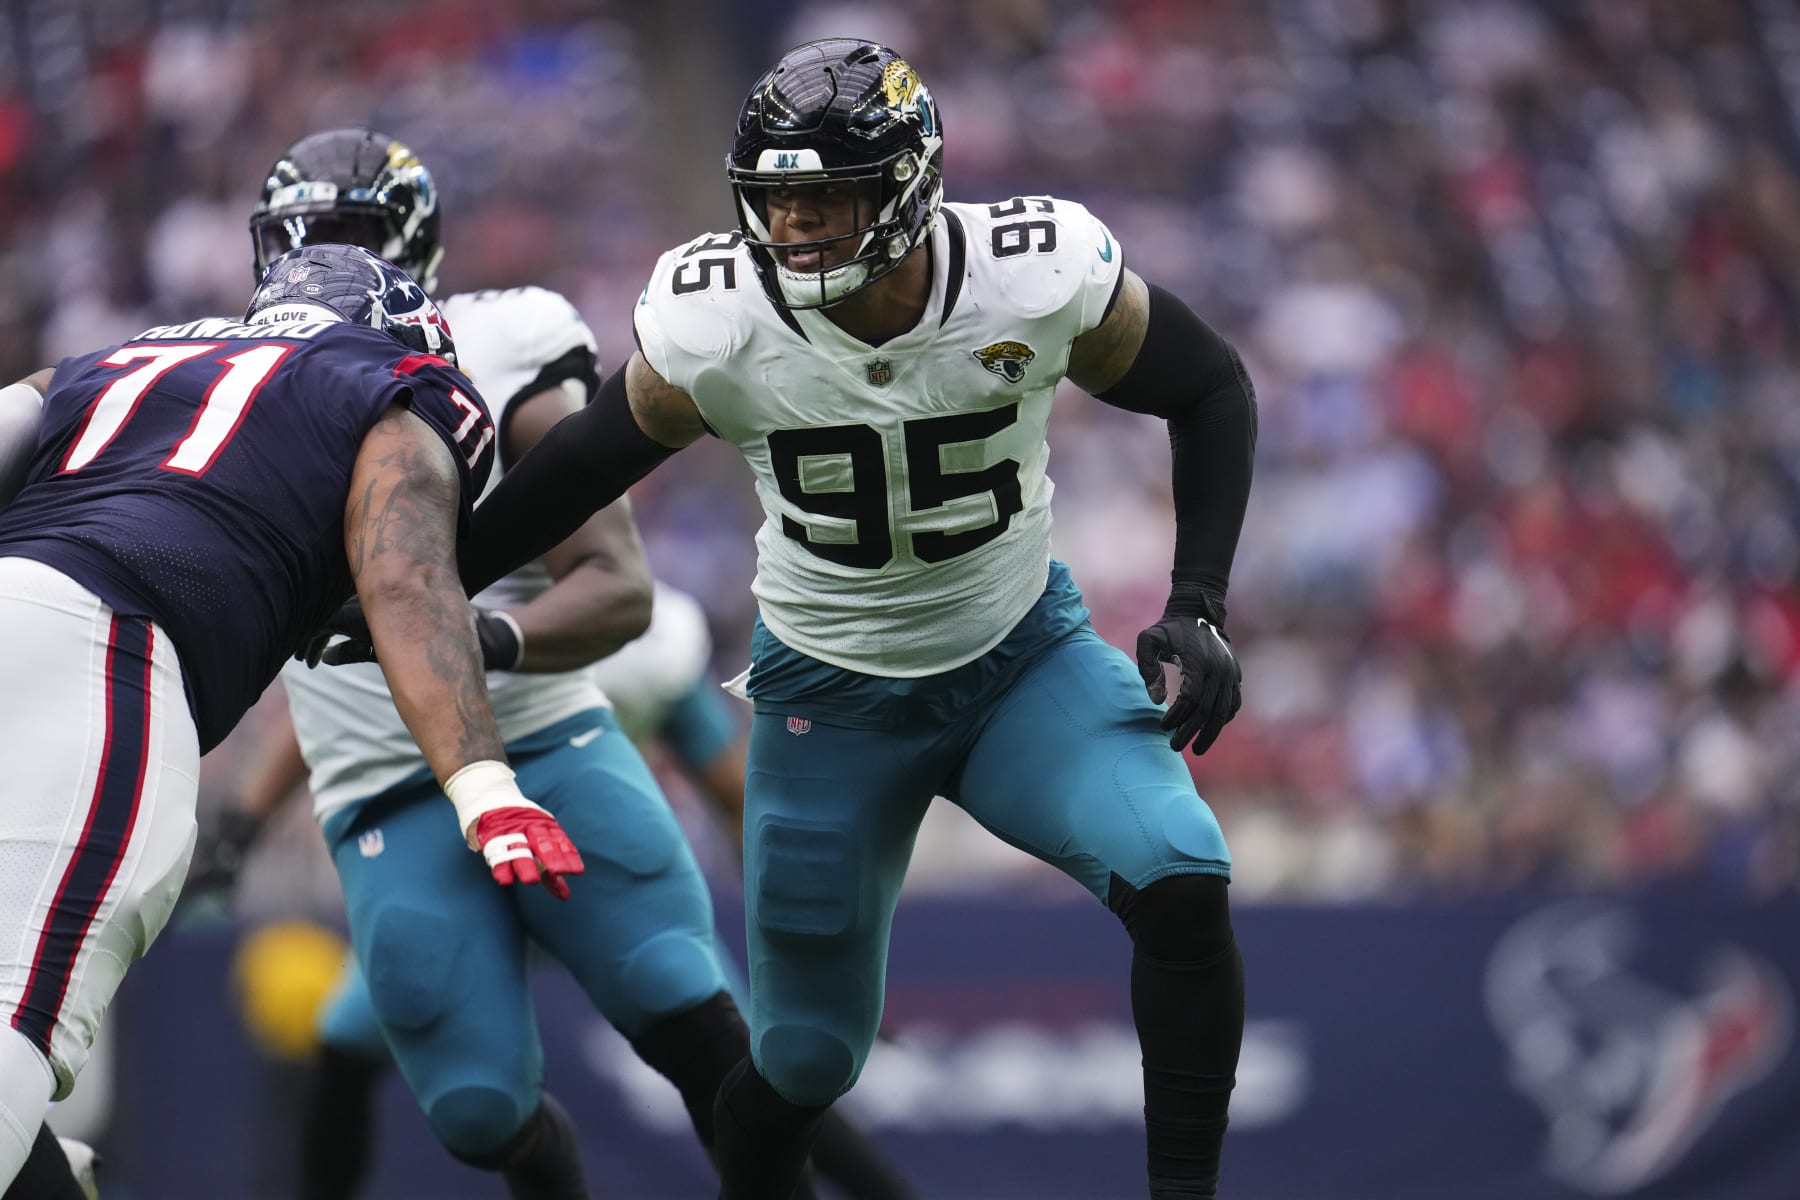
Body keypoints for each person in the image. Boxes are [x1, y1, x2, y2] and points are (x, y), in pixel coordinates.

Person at [423, 38, 1256, 1200]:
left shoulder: (1032, 272)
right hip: (831, 702)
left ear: (908, 186)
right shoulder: (721, 316)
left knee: (1180, 870)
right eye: (780, 199)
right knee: (802, 1061)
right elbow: (582, 465)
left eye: (828, 195)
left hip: (1024, 663)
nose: (801, 225)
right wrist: (429, 579)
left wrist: (1199, 602)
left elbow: (1209, 384)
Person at [221, 127, 909, 1200]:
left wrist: (474, 636)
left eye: (354, 234)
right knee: (479, 1110)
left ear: (416, 245)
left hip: (546, 742)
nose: (325, 259)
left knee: (695, 1015)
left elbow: (617, 589)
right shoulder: (213, 381)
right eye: (304, 236)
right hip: (384, 793)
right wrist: (228, 818)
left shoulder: (504, 343)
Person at [0, 241, 585, 1199]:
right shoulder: (402, 382)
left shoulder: (111, 360)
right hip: (108, 657)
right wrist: (485, 786)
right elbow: (404, 576)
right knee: (19, 1014)